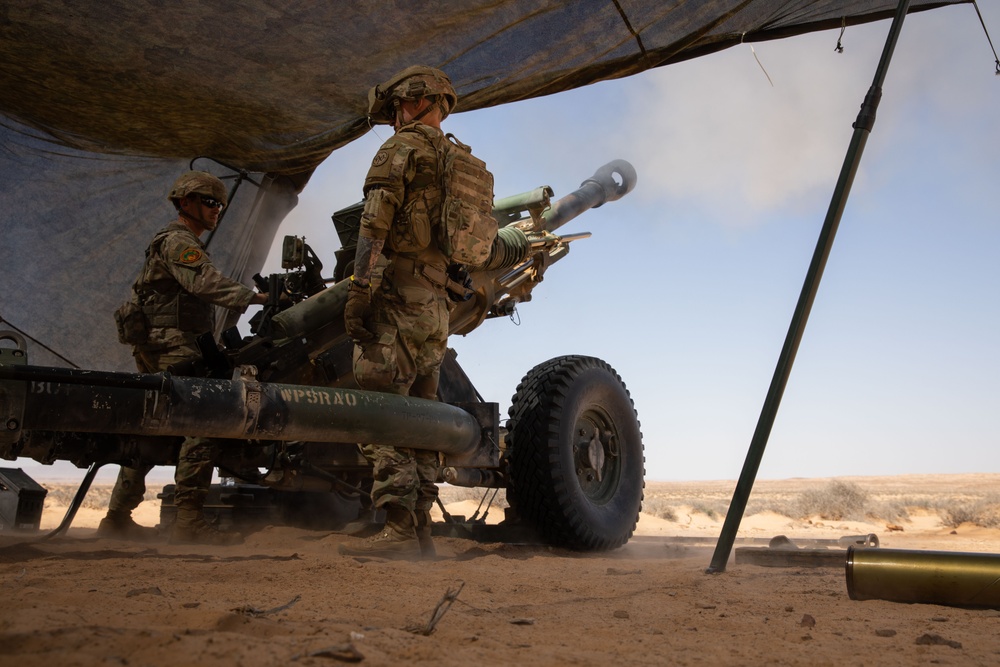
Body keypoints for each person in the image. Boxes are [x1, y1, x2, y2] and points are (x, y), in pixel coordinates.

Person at [340, 66, 496, 559]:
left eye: (396, 109)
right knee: (425, 417)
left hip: (399, 298)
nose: (393, 119)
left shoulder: (400, 149)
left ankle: (399, 527)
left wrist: (359, 288)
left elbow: (374, 222)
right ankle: (422, 528)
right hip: (436, 307)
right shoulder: (459, 159)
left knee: (380, 410)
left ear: (416, 101)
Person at [98, 170, 267, 545]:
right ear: (185, 202)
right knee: (204, 419)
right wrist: (257, 298)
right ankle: (188, 520)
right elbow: (204, 283)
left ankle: (117, 518)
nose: (216, 210)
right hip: (172, 345)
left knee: (149, 428)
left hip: (165, 343)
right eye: (209, 202)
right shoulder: (177, 242)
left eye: (219, 203)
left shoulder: (181, 241)